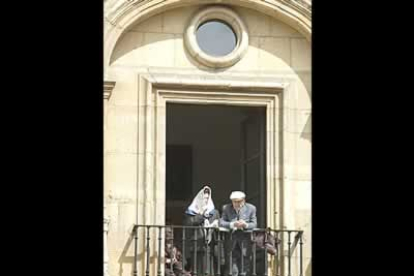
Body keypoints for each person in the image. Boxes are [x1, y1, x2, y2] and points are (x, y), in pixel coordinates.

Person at [183, 186, 220, 276]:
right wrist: (202, 215)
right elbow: (189, 224)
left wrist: (216, 225)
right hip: (196, 246)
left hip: (209, 246)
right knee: (198, 270)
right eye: (203, 198)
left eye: (207, 198)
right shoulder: (191, 212)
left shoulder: (214, 212)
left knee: (209, 271)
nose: (205, 200)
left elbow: (219, 225)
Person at [220, 191, 257, 276]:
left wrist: (245, 225)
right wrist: (232, 224)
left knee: (244, 269)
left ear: (243, 200)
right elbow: (221, 222)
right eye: (234, 202)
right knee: (232, 270)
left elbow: (254, 224)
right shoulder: (226, 208)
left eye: (238, 201)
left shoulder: (251, 208)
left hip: (244, 242)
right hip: (231, 241)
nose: (236, 204)